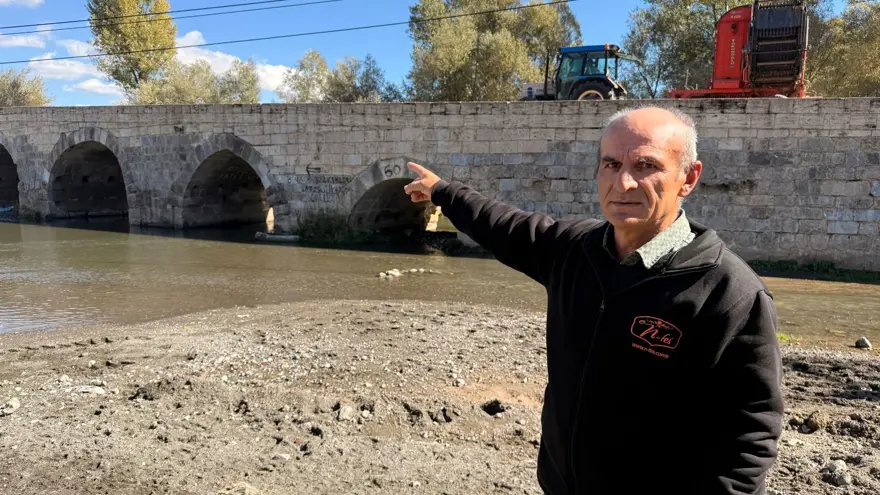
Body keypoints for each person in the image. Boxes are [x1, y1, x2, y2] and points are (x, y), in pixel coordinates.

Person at [403, 106, 784, 495]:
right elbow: (503, 226)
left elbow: (751, 432)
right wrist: (443, 192)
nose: (624, 182)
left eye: (646, 165)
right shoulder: (573, 250)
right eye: (612, 163)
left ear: (688, 178)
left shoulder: (729, 292)